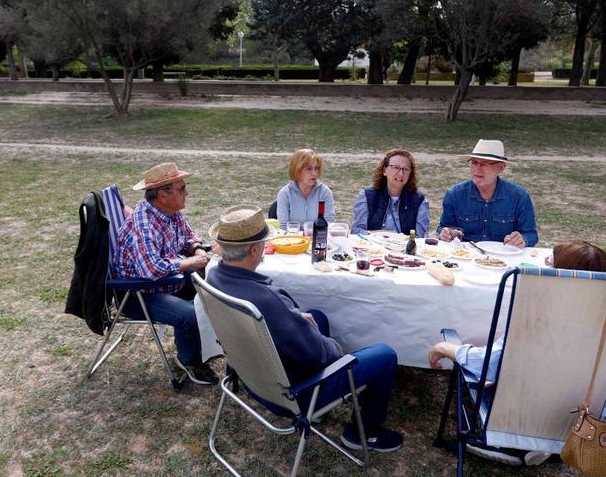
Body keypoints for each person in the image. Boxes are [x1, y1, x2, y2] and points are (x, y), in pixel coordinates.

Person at [206, 205, 404, 453]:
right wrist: (335, 348)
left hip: (252, 374)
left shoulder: (214, 276)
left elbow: (285, 324)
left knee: (317, 317)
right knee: (385, 355)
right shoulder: (266, 300)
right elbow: (323, 355)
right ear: (255, 250)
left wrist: (297, 319)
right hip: (291, 395)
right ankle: (364, 431)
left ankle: (320, 410)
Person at [427, 240, 606, 465]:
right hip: (579, 419)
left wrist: (447, 348)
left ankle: (506, 445)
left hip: (522, 416)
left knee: (477, 374)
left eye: (550, 264)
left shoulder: (539, 318)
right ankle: (548, 445)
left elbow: (490, 364)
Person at [112, 162, 218, 385]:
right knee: (191, 315)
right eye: (181, 189)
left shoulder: (171, 212)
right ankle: (188, 360)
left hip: (165, 282)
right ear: (162, 195)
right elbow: (151, 270)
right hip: (137, 293)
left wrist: (197, 250)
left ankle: (209, 344)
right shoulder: (143, 225)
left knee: (215, 285)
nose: (186, 192)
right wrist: (192, 262)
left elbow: (188, 236)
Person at [436, 139, 537, 248]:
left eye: (484, 164)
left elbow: (531, 234)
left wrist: (523, 240)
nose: (477, 169)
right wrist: (446, 233)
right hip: (465, 256)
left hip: (503, 258)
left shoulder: (519, 197)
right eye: (474, 162)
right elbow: (443, 228)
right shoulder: (454, 195)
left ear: (501, 168)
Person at [350, 148, 429, 237]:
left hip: (404, 249)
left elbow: (421, 238)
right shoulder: (367, 196)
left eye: (406, 169)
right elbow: (356, 231)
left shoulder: (419, 201)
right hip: (373, 248)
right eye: (396, 168)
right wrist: (380, 235)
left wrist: (400, 240)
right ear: (384, 171)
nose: (401, 173)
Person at [276, 148, 335, 226]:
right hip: (293, 237)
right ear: (297, 171)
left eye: (316, 168)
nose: (314, 173)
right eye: (309, 169)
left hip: (318, 236)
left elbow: (329, 223)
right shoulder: (285, 194)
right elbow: (283, 226)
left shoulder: (325, 192)